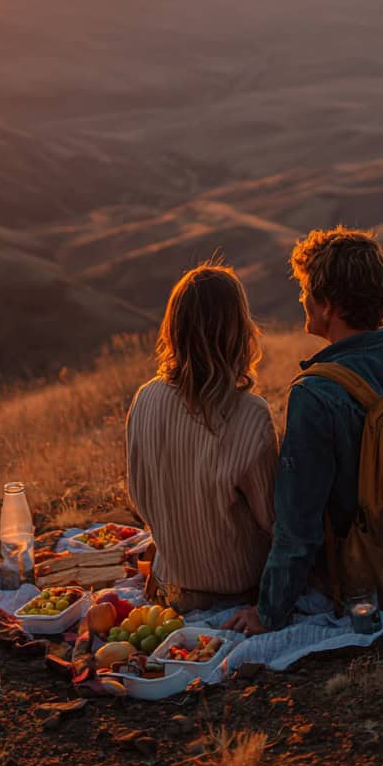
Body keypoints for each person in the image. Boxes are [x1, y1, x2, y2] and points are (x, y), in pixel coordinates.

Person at [225, 227, 383, 635]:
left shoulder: (316, 395)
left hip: (368, 580)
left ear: (328, 306)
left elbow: (298, 527)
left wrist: (269, 612)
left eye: (306, 290)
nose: (301, 300)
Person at [126, 262, 278, 612]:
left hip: (172, 588)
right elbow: (272, 521)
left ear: (174, 330)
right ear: (239, 331)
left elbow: (138, 496)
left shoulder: (144, 398)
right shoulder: (250, 413)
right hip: (238, 593)